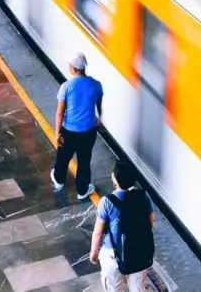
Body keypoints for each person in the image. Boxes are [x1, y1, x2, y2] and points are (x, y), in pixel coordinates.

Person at [90, 162, 155, 292]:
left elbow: (98, 232)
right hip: (139, 252)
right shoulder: (143, 196)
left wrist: (94, 252)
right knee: (138, 287)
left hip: (113, 254)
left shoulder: (107, 202)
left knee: (114, 287)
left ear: (115, 179)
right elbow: (151, 222)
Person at [51, 53, 104, 201]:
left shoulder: (66, 87)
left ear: (73, 69)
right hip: (88, 131)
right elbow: (98, 106)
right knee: (84, 161)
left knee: (63, 157)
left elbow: (60, 113)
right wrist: (99, 119)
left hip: (69, 131)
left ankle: (59, 181)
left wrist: (57, 133)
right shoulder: (96, 84)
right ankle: (82, 190)